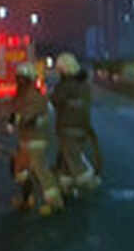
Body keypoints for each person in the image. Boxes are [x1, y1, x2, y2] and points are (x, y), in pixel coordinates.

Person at [10, 62, 64, 215]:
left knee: (41, 172)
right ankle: (26, 200)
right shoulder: (22, 95)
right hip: (25, 140)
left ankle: (55, 203)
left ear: (28, 79)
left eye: (22, 78)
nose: (19, 81)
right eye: (18, 78)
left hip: (35, 140)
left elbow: (29, 118)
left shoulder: (34, 96)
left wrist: (16, 119)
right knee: (20, 171)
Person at [52, 53, 102, 194]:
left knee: (73, 159)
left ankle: (88, 180)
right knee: (66, 159)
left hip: (67, 126)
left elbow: (55, 100)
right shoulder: (84, 86)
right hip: (82, 126)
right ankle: (65, 185)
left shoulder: (65, 86)